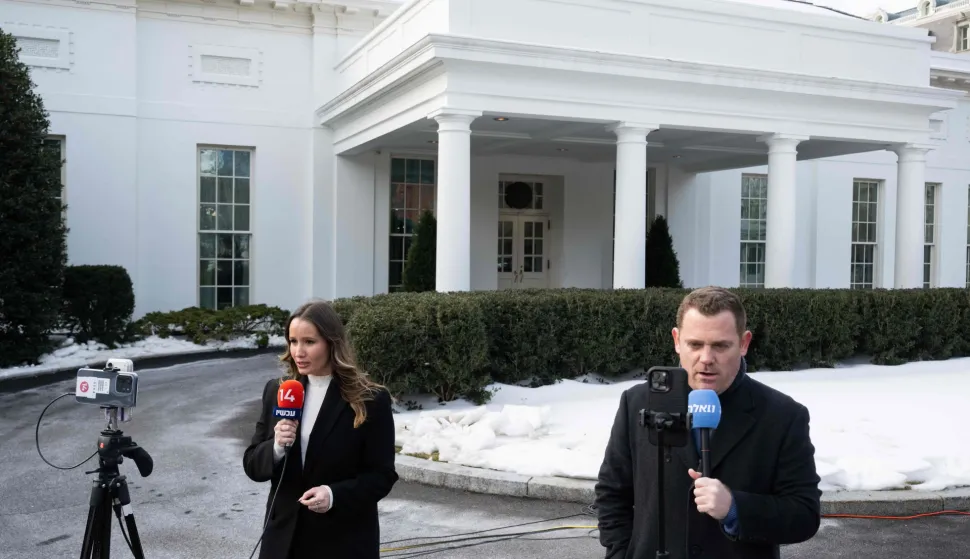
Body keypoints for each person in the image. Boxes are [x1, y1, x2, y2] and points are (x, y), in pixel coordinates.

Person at [594, 286, 822, 559]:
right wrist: (621, 553)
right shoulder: (637, 403)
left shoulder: (783, 416)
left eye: (720, 345)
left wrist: (735, 508)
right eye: (695, 344)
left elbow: (804, 515)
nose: (706, 359)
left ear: (744, 343)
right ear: (677, 340)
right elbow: (612, 494)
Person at [243, 299, 399, 559]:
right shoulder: (278, 391)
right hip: (283, 542)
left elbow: (382, 476)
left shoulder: (370, 399)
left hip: (342, 542)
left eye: (309, 342)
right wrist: (276, 448)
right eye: (293, 341)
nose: (298, 352)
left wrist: (333, 494)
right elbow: (252, 464)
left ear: (331, 342)